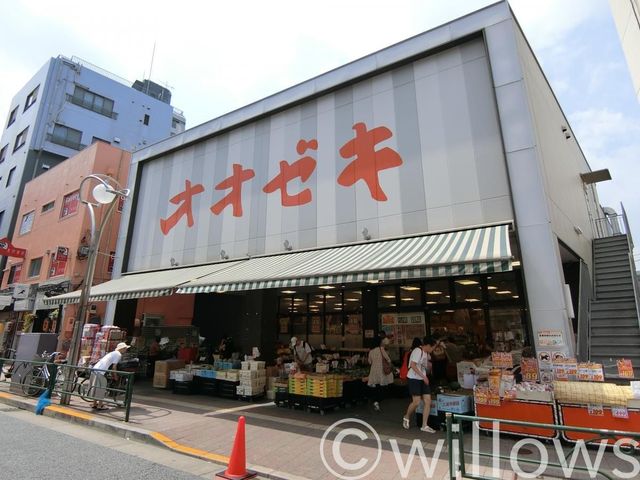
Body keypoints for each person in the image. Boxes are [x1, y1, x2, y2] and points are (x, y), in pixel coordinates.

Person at [402, 336, 436, 433]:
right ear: (429, 346)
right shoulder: (418, 351)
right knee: (416, 402)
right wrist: (424, 376)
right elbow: (412, 365)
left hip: (422, 378)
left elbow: (424, 367)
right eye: (433, 347)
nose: (433, 350)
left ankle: (424, 425)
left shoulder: (426, 353)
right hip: (414, 379)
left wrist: (427, 369)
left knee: (428, 401)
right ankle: (406, 416)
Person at [90, 342, 130, 410]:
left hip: (96, 369)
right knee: (102, 387)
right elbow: (114, 367)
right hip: (101, 371)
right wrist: (115, 376)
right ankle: (100, 405)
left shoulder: (113, 352)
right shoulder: (118, 354)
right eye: (125, 348)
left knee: (97, 387)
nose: (126, 350)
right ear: (122, 349)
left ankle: (94, 404)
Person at [367, 336, 394, 411]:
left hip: (373, 371)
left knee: (376, 387)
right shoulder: (381, 349)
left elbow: (369, 362)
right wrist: (389, 363)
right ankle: (377, 401)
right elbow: (388, 358)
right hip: (381, 371)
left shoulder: (371, 351)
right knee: (382, 388)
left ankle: (376, 402)